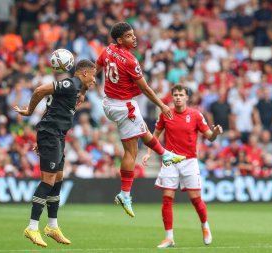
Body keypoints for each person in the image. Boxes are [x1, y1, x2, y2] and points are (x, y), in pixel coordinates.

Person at [95, 22, 185, 218]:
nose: (134, 37)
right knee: (131, 152)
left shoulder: (109, 50)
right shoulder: (130, 61)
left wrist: (85, 88)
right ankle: (125, 194)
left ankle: (165, 155)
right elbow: (145, 89)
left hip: (109, 102)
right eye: (129, 35)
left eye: (133, 34)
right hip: (123, 106)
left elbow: (97, 66)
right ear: (120, 40)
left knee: (142, 129)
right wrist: (162, 105)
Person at [14, 59, 97, 248]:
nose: (94, 80)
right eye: (93, 75)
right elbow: (39, 90)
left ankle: (52, 226)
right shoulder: (69, 84)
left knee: (58, 178)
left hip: (55, 135)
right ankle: (32, 227)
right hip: (51, 135)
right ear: (84, 73)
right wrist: (28, 111)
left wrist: (82, 93)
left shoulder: (76, 89)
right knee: (48, 180)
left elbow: (51, 110)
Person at [142, 85, 223, 248]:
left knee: (196, 200)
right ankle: (169, 237)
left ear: (187, 98)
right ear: (172, 97)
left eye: (181, 95)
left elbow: (209, 137)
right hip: (170, 160)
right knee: (167, 199)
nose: (178, 97)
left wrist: (215, 133)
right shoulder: (166, 113)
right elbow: (155, 135)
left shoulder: (195, 115)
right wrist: (149, 153)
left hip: (190, 161)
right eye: (175, 95)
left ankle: (205, 226)